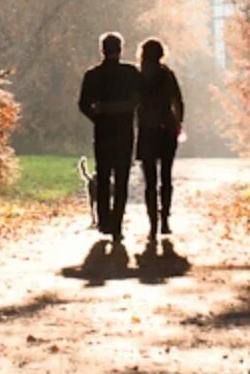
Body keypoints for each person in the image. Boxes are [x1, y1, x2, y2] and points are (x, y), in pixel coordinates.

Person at [77, 31, 142, 241]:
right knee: (121, 178)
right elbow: (139, 100)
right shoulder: (131, 73)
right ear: (120, 49)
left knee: (103, 176)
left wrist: (97, 116)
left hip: (103, 130)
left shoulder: (93, 75)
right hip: (124, 131)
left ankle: (104, 220)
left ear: (102, 50)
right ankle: (117, 223)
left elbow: (83, 104)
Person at [135, 37, 185, 240]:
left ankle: (152, 223)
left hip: (146, 129)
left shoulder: (138, 77)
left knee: (149, 180)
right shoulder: (167, 75)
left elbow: (133, 102)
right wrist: (178, 123)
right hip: (166, 128)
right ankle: (164, 219)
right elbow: (178, 101)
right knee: (166, 176)